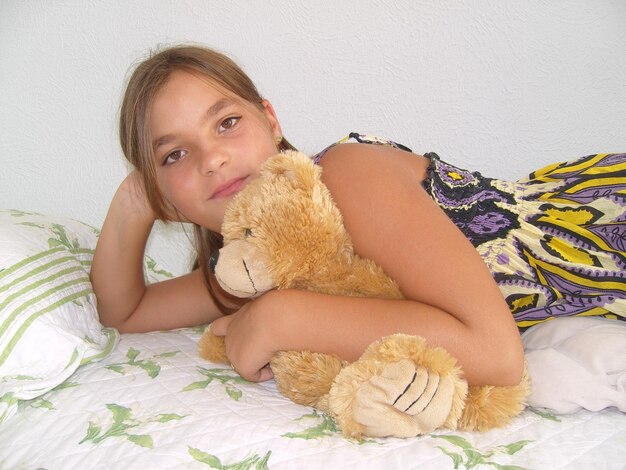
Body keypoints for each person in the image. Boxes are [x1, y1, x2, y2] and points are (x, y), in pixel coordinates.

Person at [91, 44, 625, 386]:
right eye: (174, 155)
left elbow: (497, 355)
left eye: (227, 122)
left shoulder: (347, 174)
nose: (213, 158)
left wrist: (281, 319)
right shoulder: (251, 272)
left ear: (271, 120)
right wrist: (136, 199)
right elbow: (125, 313)